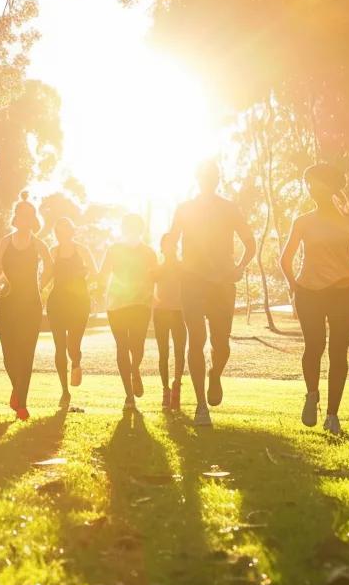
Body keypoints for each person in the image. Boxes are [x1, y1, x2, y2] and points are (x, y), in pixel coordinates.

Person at [279, 163, 349, 435]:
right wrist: (293, 287)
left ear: (332, 185)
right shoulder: (302, 221)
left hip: (344, 291)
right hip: (309, 292)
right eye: (309, 183)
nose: (313, 188)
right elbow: (285, 260)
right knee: (314, 347)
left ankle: (333, 415)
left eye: (317, 182)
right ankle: (312, 395)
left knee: (338, 352)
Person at [169, 161, 255, 426]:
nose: (209, 180)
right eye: (204, 175)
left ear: (218, 179)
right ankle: (201, 406)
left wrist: (239, 267)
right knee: (196, 339)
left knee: (222, 345)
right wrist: (178, 265)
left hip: (222, 284)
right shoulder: (184, 209)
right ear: (197, 178)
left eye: (213, 176)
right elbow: (171, 242)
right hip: (193, 282)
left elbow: (249, 242)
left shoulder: (229, 208)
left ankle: (215, 373)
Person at [0, 193, 51, 421]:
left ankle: (21, 403)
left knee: (26, 354)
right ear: (16, 218)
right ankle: (17, 389)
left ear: (33, 219)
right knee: (9, 355)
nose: (24, 218)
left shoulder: (38, 244)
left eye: (29, 215)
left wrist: (41, 288)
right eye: (20, 214)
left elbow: (50, 269)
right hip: (7, 303)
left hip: (31, 304)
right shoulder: (5, 241)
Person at [98, 213, 159, 411]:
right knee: (122, 347)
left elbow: (156, 275)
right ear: (123, 229)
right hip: (117, 305)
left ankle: (135, 371)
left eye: (135, 227)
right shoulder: (114, 249)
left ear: (140, 230)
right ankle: (129, 396)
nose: (131, 231)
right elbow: (104, 272)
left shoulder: (149, 252)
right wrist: (97, 288)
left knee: (137, 344)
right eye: (128, 227)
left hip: (141, 304)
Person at [44, 216, 96, 409]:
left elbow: (94, 272)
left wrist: (85, 277)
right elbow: (47, 275)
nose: (61, 234)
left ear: (71, 231)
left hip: (79, 303)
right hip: (57, 303)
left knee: (72, 345)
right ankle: (65, 391)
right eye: (58, 231)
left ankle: (76, 362)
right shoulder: (53, 251)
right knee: (59, 347)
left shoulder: (81, 250)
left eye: (65, 230)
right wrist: (35, 290)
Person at [152, 232, 186, 411]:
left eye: (172, 244)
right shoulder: (158, 269)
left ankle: (177, 387)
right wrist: (154, 302)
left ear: (176, 247)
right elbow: (147, 287)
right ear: (162, 248)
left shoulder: (183, 268)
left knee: (180, 351)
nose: (169, 247)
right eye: (166, 244)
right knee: (163, 353)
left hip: (180, 313)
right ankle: (165, 390)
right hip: (161, 314)